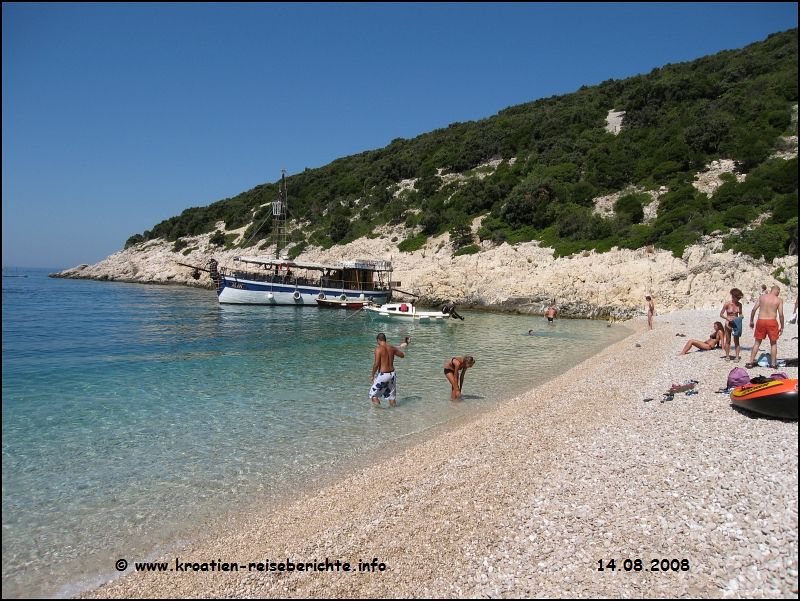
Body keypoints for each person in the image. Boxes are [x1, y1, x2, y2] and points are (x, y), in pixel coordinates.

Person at [746, 285, 784, 369]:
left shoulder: (762, 297)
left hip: (761, 320)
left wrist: (751, 321)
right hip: (771, 321)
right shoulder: (778, 300)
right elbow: (781, 315)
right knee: (773, 343)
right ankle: (773, 364)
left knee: (757, 342)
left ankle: (751, 362)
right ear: (777, 291)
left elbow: (753, 310)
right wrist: (782, 326)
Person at [369, 333, 406, 406]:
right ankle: (394, 412)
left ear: (378, 340)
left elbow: (376, 364)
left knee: (373, 395)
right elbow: (402, 355)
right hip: (392, 375)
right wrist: (393, 351)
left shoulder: (378, 349)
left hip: (383, 374)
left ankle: (378, 414)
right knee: (391, 397)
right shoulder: (392, 348)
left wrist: (372, 375)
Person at [719, 288, 744, 362]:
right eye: (737, 298)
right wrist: (727, 318)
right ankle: (727, 356)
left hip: (736, 322)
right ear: (733, 296)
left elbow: (740, 313)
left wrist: (741, 316)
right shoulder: (727, 304)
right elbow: (721, 314)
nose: (738, 299)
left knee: (736, 340)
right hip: (728, 322)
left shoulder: (739, 305)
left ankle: (737, 356)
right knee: (728, 340)